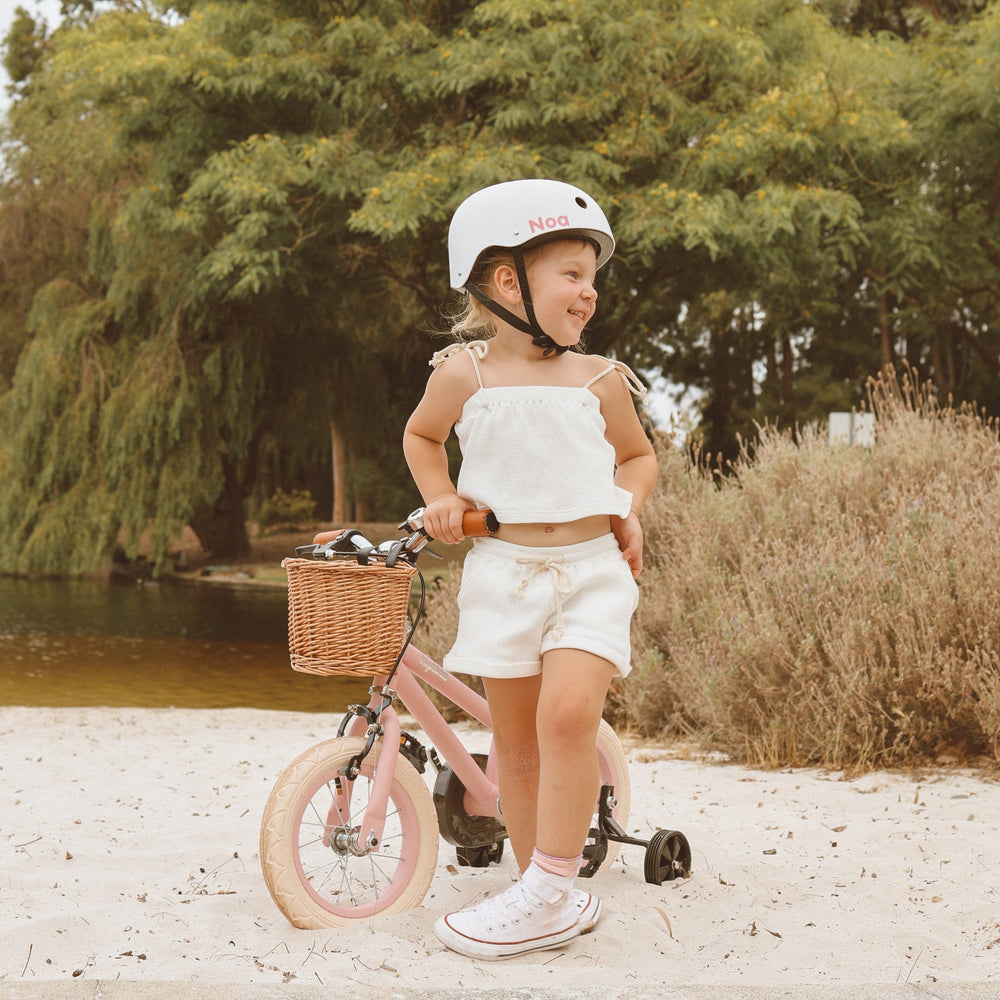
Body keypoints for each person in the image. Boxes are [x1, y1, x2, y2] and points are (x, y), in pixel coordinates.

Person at [403, 178, 657, 961]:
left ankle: (552, 882)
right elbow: (421, 439)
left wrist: (626, 506)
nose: (588, 295)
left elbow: (639, 455)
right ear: (507, 280)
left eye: (593, 280)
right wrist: (441, 497)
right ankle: (532, 888)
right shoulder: (463, 374)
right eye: (573, 276)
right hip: (502, 573)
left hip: (589, 570)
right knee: (511, 743)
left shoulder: (599, 379)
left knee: (568, 718)